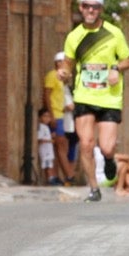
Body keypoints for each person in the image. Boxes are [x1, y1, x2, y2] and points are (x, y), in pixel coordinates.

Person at [61, 0, 129, 203]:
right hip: (84, 96)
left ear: (100, 9)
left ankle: (109, 159)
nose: (90, 10)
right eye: (86, 6)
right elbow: (68, 64)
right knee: (85, 144)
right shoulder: (74, 36)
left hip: (109, 98)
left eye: (95, 7)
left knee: (107, 147)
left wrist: (116, 69)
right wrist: (63, 73)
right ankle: (93, 188)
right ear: (81, 8)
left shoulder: (114, 33)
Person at [43, 52, 74, 185]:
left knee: (60, 146)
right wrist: (51, 115)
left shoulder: (60, 79)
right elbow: (47, 96)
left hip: (60, 114)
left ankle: (60, 176)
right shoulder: (51, 76)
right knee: (60, 145)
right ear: (58, 63)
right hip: (55, 115)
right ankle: (69, 175)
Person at [37, 107, 58, 185]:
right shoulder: (41, 127)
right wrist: (50, 140)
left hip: (48, 150)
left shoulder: (46, 127)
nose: (47, 118)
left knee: (49, 164)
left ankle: (50, 178)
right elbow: (39, 139)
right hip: (45, 150)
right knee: (47, 166)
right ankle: (50, 179)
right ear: (40, 117)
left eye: (48, 116)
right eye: (45, 116)